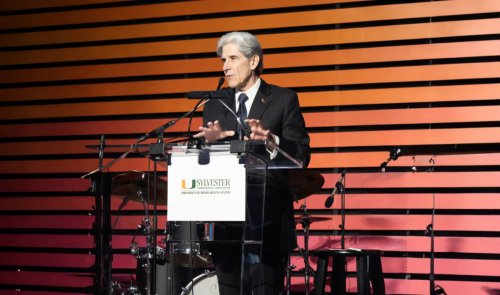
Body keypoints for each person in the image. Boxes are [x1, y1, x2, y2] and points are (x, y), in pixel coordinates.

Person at [193, 31, 311, 295]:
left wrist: (272, 141)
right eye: (224, 60)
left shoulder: (283, 99)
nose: (225, 66)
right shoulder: (214, 104)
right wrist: (209, 145)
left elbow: (302, 155)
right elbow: (205, 163)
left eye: (233, 58)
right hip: (224, 225)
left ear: (254, 60)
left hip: (267, 224)